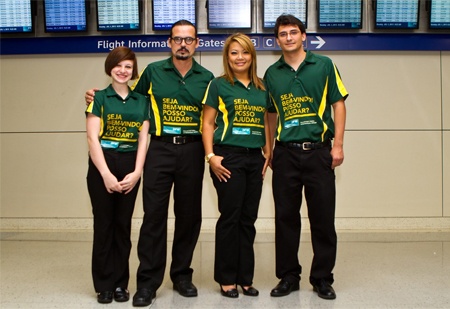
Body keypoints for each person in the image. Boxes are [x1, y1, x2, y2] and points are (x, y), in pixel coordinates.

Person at [85, 20, 214, 307]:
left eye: (189, 39)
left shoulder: (207, 77)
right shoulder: (153, 71)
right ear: (169, 43)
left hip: (192, 151)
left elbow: (212, 116)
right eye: (177, 39)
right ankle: (148, 282)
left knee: (189, 216)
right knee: (153, 216)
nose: (183, 44)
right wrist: (96, 98)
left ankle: (181, 275)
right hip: (158, 149)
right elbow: (129, 97)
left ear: (196, 44)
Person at [264, 14, 348, 300]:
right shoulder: (272, 73)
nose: (288, 37)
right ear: (277, 40)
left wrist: (338, 145)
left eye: (293, 32)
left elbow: (338, 104)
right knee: (285, 218)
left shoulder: (324, 65)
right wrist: (270, 149)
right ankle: (288, 276)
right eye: (283, 34)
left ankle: (322, 277)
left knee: (322, 218)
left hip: (319, 152)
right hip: (286, 154)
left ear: (303, 36)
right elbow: (271, 114)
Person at [202, 33, 272, 298]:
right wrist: (211, 157)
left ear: (252, 56)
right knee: (230, 217)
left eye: (244, 52)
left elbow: (266, 121)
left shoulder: (263, 87)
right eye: (233, 52)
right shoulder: (218, 85)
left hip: (254, 158)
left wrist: (268, 152)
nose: (239, 57)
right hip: (227, 158)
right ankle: (226, 278)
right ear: (227, 57)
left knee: (248, 219)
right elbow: (207, 123)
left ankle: (246, 278)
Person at [86, 46, 150, 304]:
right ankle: (104, 285)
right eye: (118, 65)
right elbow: (92, 138)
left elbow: (144, 139)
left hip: (130, 164)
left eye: (128, 66)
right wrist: (105, 174)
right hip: (103, 163)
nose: (123, 71)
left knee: (123, 228)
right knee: (104, 226)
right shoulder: (99, 98)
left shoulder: (142, 101)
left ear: (134, 71)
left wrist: (137, 172)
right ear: (109, 67)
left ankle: (121, 284)